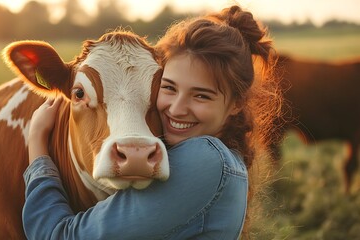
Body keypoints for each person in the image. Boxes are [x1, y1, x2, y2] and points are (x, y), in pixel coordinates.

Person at [23, 5, 282, 239]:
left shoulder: (206, 160)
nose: (177, 109)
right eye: (167, 87)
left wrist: (37, 145)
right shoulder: (213, 155)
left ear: (236, 104)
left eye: (201, 95)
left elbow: (59, 236)